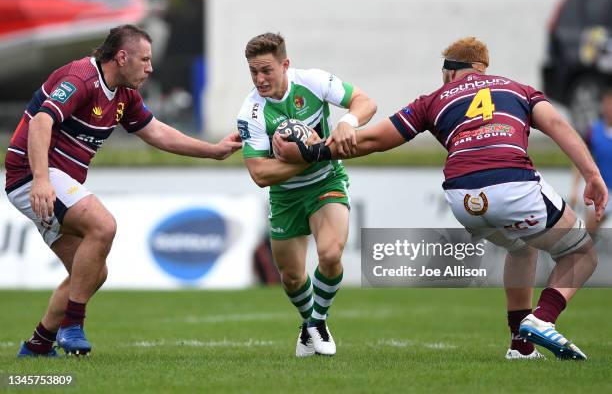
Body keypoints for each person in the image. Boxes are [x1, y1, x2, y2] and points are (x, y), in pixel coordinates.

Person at [274, 36, 608, 360]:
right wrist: (593, 176)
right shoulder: (518, 89)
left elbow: (374, 140)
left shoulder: (434, 99)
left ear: (449, 72)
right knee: (582, 252)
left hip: (463, 198)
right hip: (513, 183)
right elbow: (558, 126)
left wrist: (312, 150)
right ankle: (543, 318)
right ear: (481, 68)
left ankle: (520, 346)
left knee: (520, 248)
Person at [5, 24, 242, 357]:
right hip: (31, 174)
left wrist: (213, 150)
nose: (150, 67)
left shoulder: (125, 95)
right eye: (144, 59)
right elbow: (42, 122)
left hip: (48, 179)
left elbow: (157, 133)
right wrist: (41, 180)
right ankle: (73, 325)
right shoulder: (81, 78)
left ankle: (38, 344)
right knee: (104, 225)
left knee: (92, 273)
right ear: (121, 56)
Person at [236, 33, 376, 356]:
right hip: (285, 197)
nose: (260, 79)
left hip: (326, 183)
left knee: (329, 254)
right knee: (291, 277)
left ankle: (318, 322)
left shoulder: (313, 82)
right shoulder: (251, 113)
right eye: (253, 71)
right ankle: (308, 322)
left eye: (267, 70)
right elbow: (259, 173)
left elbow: (366, 102)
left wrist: (349, 122)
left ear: (285, 64)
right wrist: (310, 155)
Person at [569, 87, 612, 235]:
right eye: (607, 104)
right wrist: (575, 189)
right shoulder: (594, 131)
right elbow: (581, 160)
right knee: (589, 233)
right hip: (602, 190)